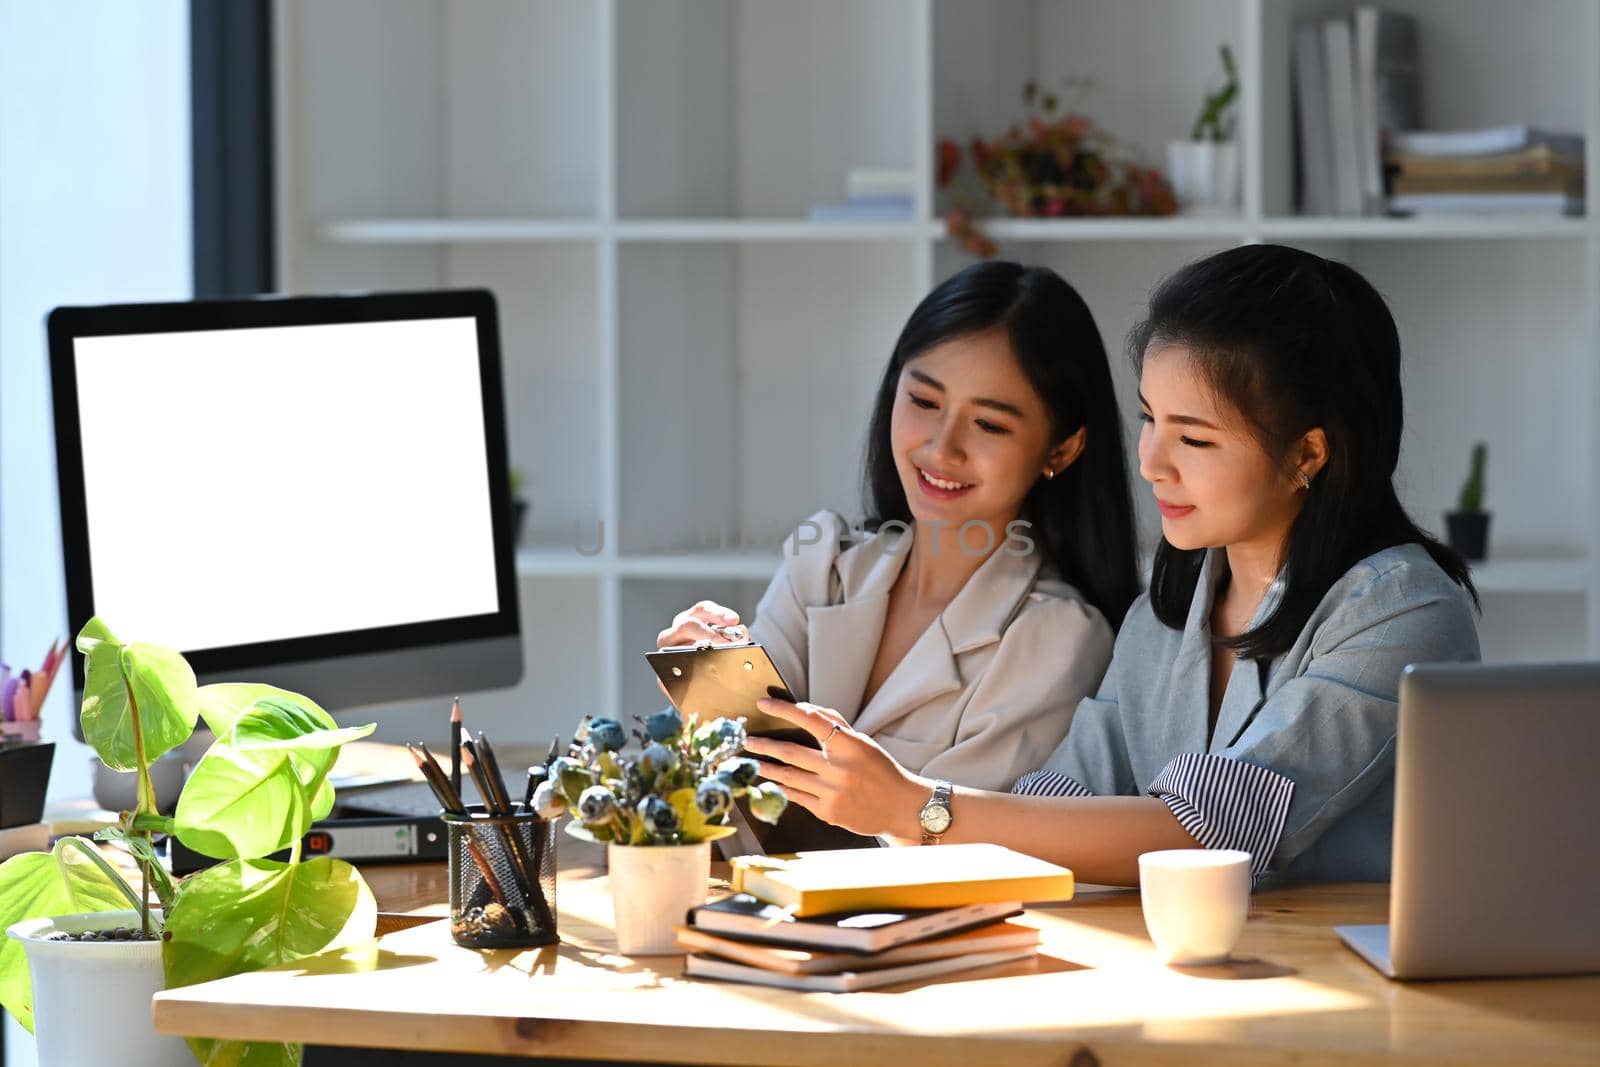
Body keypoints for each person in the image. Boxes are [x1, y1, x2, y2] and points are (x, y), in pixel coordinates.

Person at [746, 243, 1481, 884]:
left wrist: (921, 805)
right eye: (1150, 419)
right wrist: (909, 813)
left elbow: (1213, 828)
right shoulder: (1163, 619)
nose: (1151, 462)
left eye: (1193, 438)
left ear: (1306, 455)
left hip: (1349, 1003)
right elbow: (1059, 802)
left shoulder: (1403, 609)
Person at [658, 261, 1142, 847]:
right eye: (923, 400)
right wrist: (703, 704)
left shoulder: (1055, 637)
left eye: (988, 424)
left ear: (1062, 450)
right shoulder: (823, 565)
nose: (942, 446)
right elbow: (725, 814)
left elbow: (957, 860)